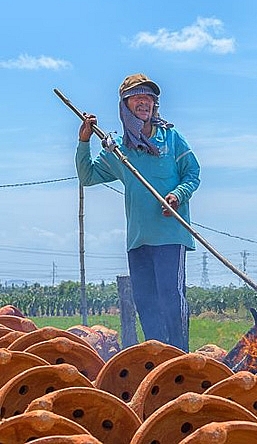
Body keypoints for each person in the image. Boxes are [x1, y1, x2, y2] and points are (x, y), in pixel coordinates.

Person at [76, 73, 200, 352]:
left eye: (149, 97)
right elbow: (88, 176)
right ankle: (156, 359)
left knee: (171, 298)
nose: (144, 101)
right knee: (145, 302)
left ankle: (181, 358)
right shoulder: (118, 149)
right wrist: (84, 142)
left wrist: (177, 196)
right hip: (138, 239)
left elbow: (192, 173)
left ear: (155, 104)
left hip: (170, 235)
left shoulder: (171, 138)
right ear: (125, 105)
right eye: (136, 96)